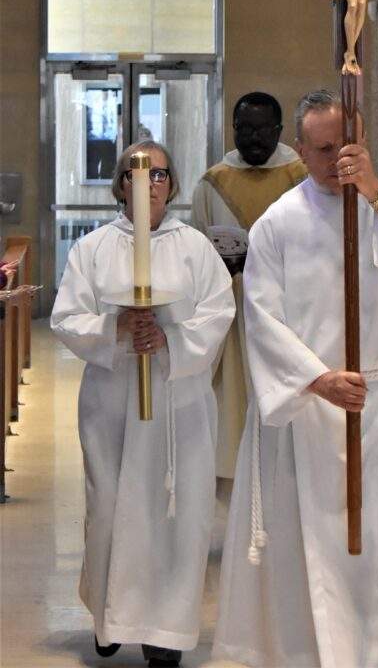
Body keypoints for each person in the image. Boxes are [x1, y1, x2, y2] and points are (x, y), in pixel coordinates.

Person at [213, 89, 378, 668]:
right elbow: (261, 320)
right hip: (309, 411)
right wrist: (317, 380)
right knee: (307, 549)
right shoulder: (279, 223)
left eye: (344, 146)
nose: (333, 159)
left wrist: (376, 193)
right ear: (299, 149)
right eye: (320, 150)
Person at [52, 140, 234, 668]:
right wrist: (116, 327)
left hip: (179, 400)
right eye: (137, 174)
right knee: (110, 508)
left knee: (179, 513)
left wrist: (171, 341)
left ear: (171, 185)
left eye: (158, 175)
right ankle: (111, 617)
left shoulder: (195, 247)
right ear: (119, 185)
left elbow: (218, 313)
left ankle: (166, 633)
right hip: (113, 400)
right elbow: (67, 317)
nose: (148, 184)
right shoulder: (93, 249)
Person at [191, 92, 306, 481]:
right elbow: (194, 250)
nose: (254, 138)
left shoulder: (302, 177)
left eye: (263, 130)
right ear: (233, 130)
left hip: (289, 314)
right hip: (234, 314)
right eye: (246, 129)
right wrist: (220, 264)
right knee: (236, 403)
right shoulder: (212, 183)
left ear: (279, 131)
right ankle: (237, 486)